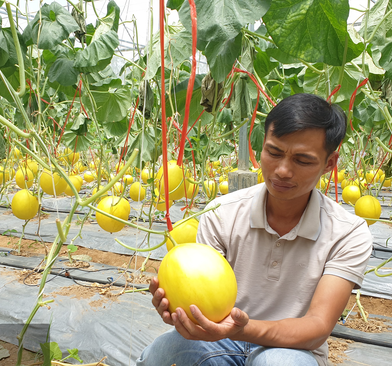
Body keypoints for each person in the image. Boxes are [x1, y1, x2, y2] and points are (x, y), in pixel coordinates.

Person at [136, 93, 373, 366]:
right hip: (220, 338)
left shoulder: (349, 233)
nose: (282, 170)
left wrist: (244, 329)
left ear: (329, 164)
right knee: (163, 355)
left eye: (302, 160)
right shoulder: (220, 213)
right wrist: (183, 313)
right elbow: (198, 294)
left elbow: (318, 326)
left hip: (293, 348)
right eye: (273, 152)